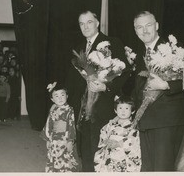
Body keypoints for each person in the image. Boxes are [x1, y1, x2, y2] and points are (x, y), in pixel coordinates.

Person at [65, 10, 129, 172]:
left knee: (101, 150)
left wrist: (106, 87)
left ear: (97, 23)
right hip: (82, 108)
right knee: (84, 149)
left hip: (103, 106)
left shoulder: (112, 42)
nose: (85, 27)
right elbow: (74, 80)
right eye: (81, 23)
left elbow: (125, 72)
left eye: (89, 22)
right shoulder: (79, 48)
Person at [132, 11, 184, 171]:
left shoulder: (173, 48)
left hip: (166, 121)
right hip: (145, 121)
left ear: (156, 26)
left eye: (148, 25)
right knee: (148, 169)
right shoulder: (140, 54)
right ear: (136, 31)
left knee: (162, 170)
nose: (144, 30)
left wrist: (166, 86)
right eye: (139, 27)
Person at [94, 96, 141, 172]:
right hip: (110, 155)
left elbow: (133, 141)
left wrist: (119, 143)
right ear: (115, 110)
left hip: (123, 157)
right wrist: (106, 141)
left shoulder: (133, 128)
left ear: (132, 111)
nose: (123, 111)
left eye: (126, 108)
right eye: (120, 108)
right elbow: (103, 133)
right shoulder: (110, 125)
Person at [40, 82, 78, 172]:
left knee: (65, 159)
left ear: (67, 96)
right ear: (52, 99)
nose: (60, 98)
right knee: (54, 158)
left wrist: (70, 140)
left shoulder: (70, 110)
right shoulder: (53, 110)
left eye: (62, 95)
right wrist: (48, 139)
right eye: (56, 96)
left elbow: (71, 125)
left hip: (65, 138)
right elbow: (49, 124)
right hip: (54, 140)